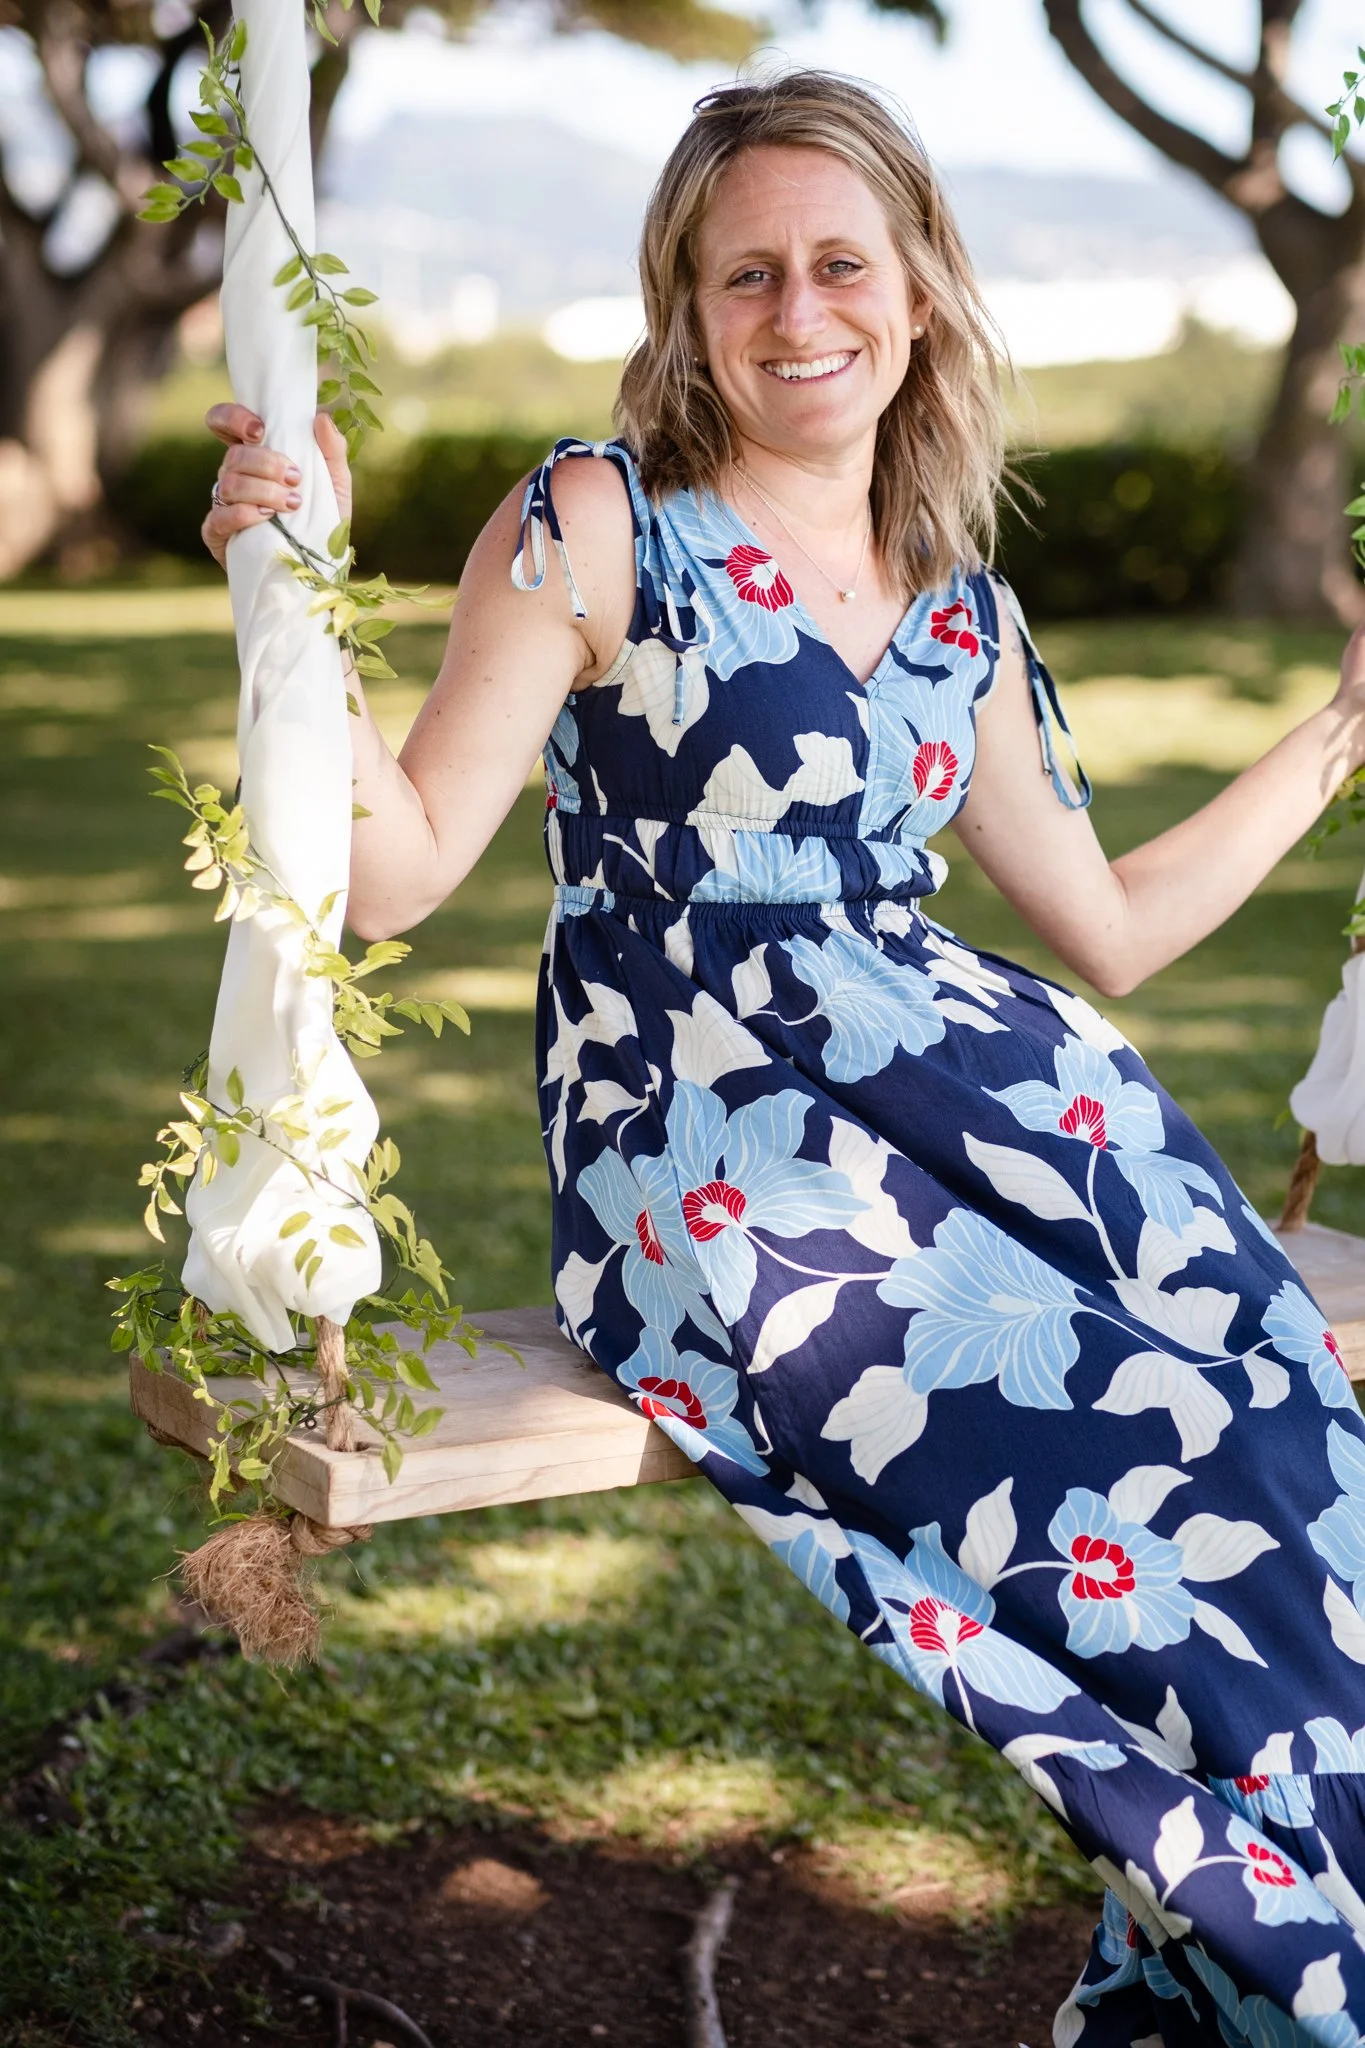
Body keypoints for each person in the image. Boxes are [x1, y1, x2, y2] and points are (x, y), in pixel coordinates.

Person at [204, 70, 1365, 2046]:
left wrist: (1344, 729)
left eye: (841, 265)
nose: (797, 309)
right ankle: (1289, 1953)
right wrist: (294, 589)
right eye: (745, 274)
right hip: (714, 1139)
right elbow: (393, 872)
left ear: (918, 294)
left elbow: (1108, 925)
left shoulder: (959, 606)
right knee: (1106, 1482)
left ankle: (1250, 1937)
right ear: (686, 305)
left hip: (991, 1101)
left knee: (1285, 1432)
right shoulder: (598, 523)